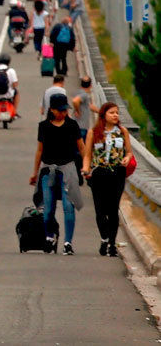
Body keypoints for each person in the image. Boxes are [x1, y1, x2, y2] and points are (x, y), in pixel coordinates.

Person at [31, 94, 85, 255]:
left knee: (69, 207)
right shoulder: (44, 126)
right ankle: (49, 237)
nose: (63, 113)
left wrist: (87, 166)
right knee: (48, 209)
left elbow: (81, 147)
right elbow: (39, 151)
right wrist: (35, 173)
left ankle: (68, 243)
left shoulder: (72, 125)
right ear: (52, 109)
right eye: (60, 110)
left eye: (64, 110)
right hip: (48, 170)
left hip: (68, 169)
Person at [83, 102, 132, 257]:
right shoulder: (94, 132)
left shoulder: (122, 132)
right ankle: (104, 238)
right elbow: (87, 154)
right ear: (104, 115)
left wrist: (126, 158)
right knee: (100, 209)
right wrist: (86, 168)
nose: (115, 115)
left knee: (113, 209)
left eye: (117, 112)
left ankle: (112, 243)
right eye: (112, 113)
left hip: (117, 173)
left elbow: (129, 152)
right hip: (99, 173)